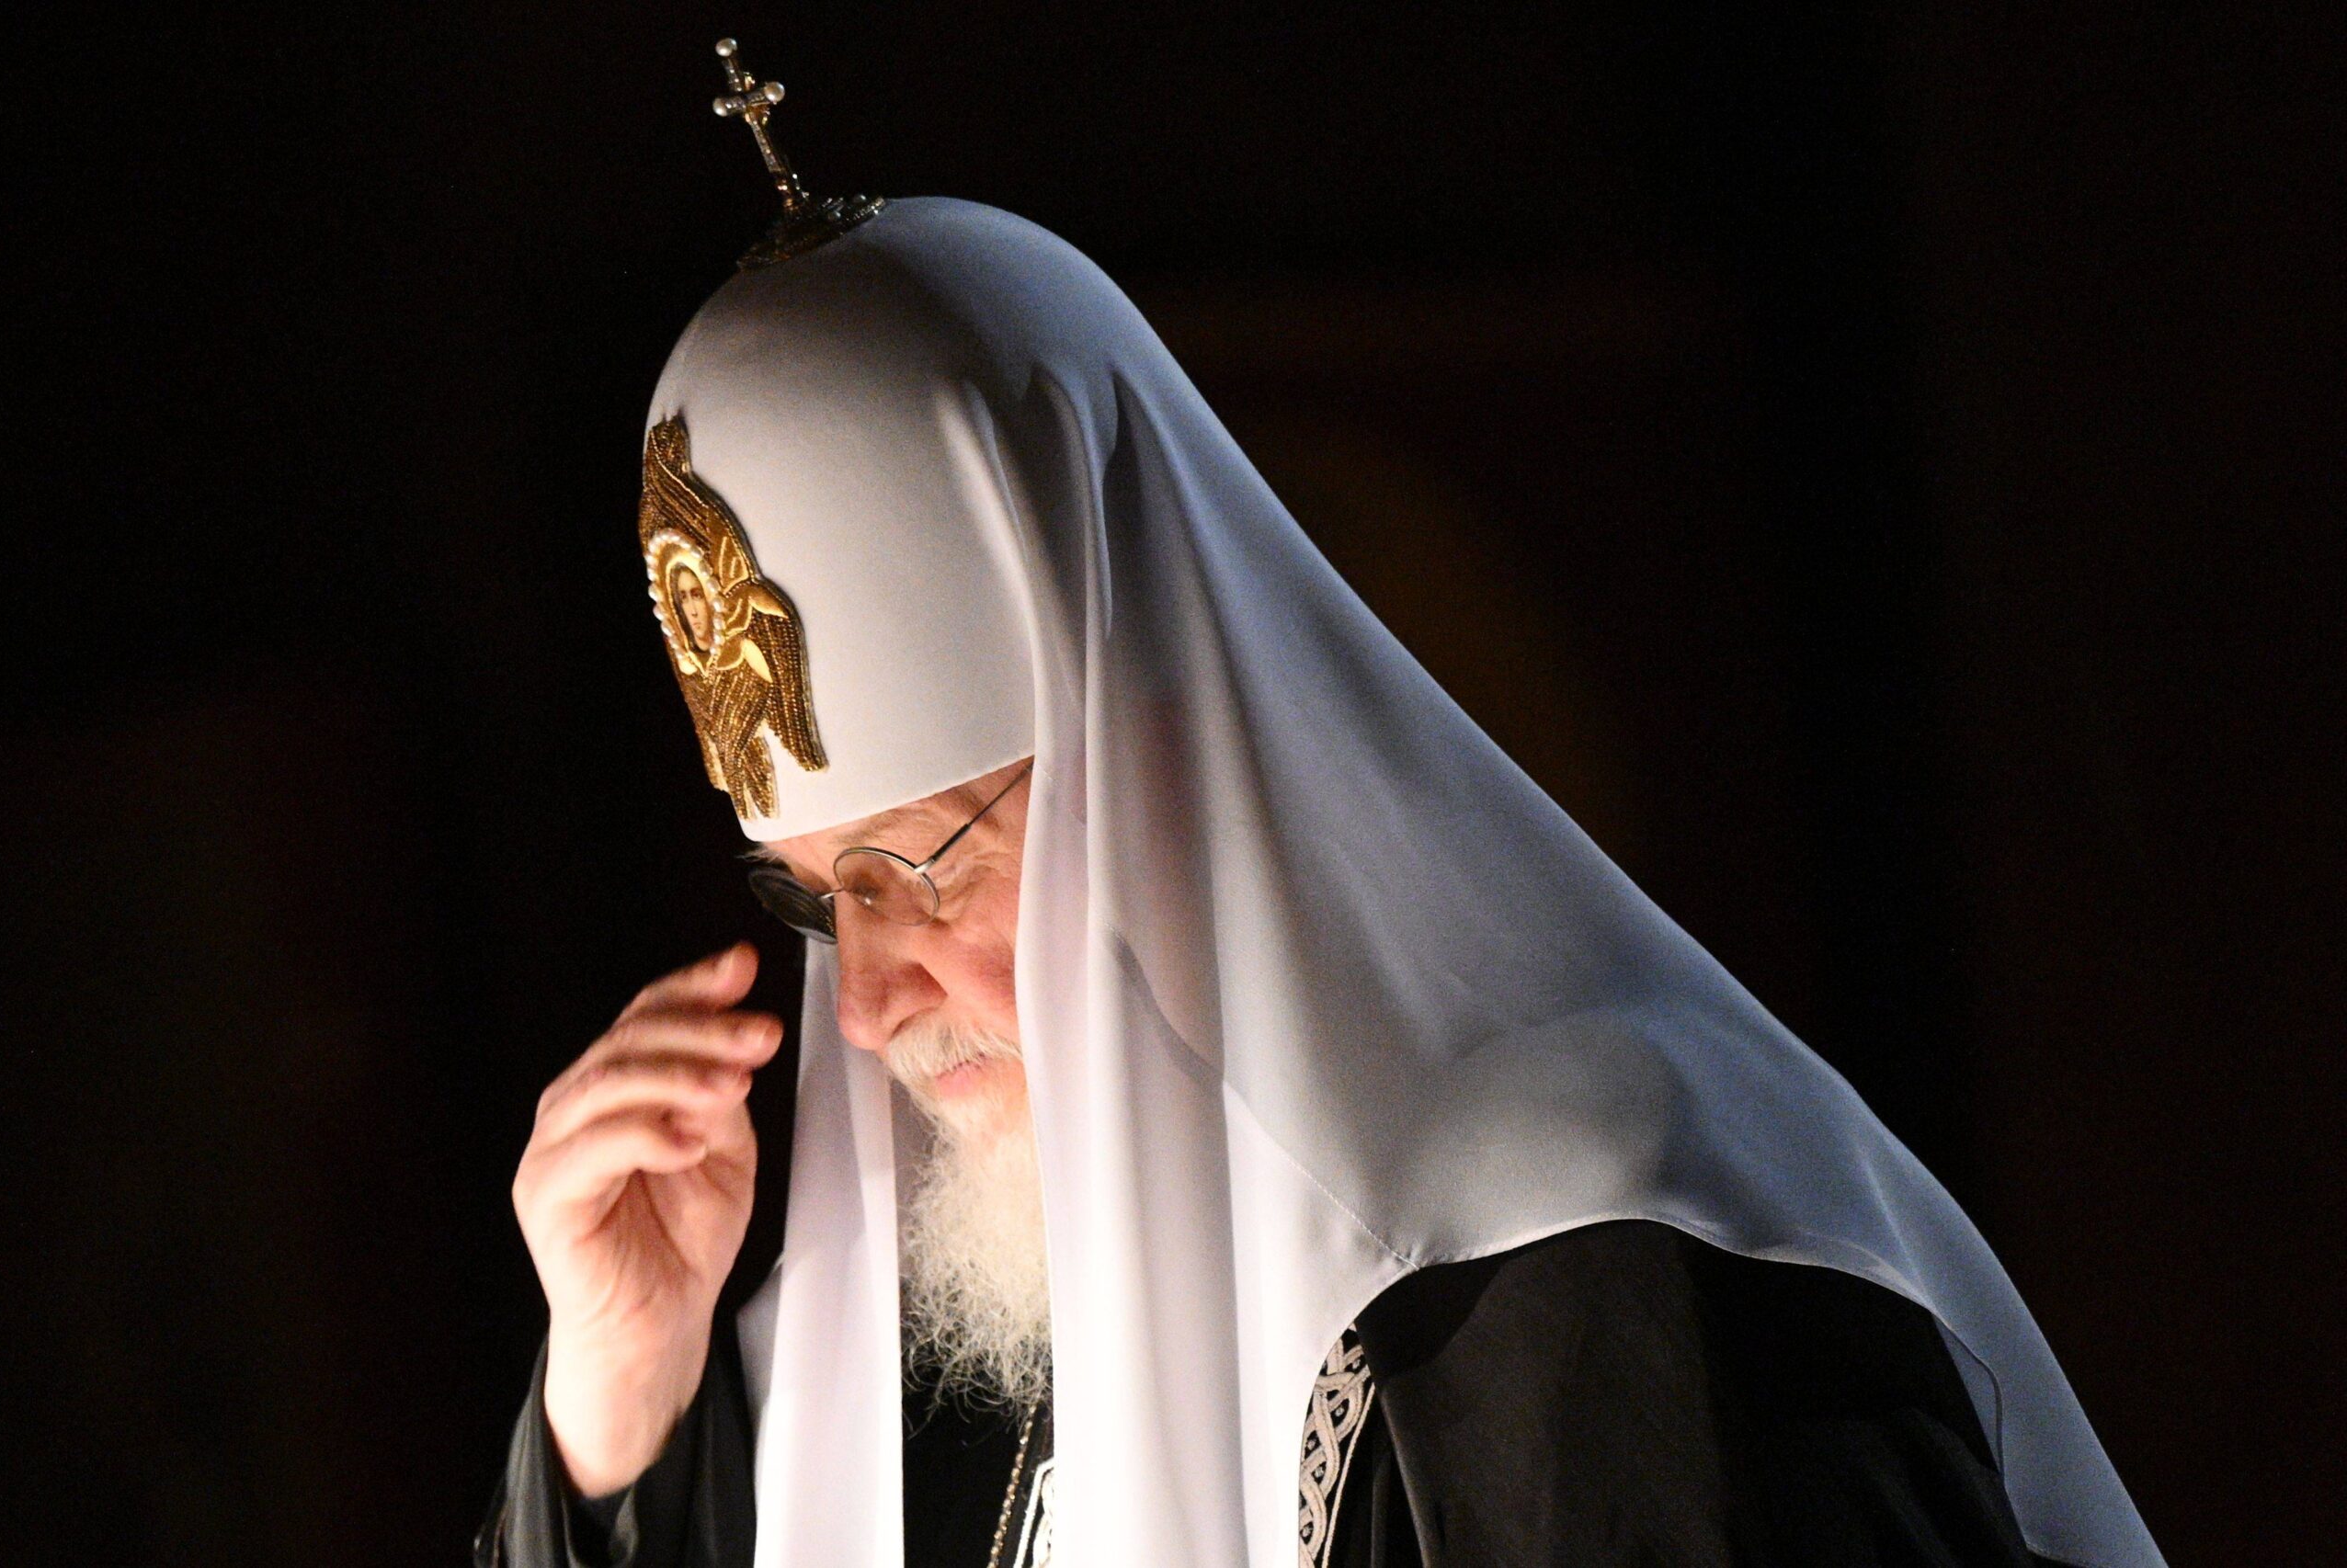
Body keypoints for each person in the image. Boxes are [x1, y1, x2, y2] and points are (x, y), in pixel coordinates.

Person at [477, 187, 2164, 1568]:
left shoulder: (1570, 1273)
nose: (872, 1003)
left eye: (921, 865)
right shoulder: (949, 1351)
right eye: (815, 899)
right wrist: (620, 1419)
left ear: (1153, 750)